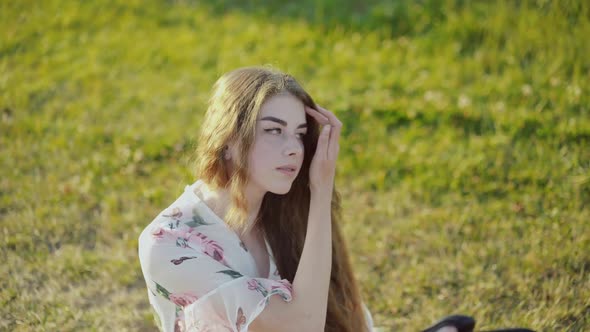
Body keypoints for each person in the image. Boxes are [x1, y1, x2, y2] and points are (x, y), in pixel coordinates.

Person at [137, 66, 484, 332]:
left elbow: (339, 314)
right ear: (227, 138)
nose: (294, 149)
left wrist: (317, 195)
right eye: (274, 130)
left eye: (301, 134)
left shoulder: (281, 207)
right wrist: (320, 193)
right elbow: (301, 325)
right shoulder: (170, 243)